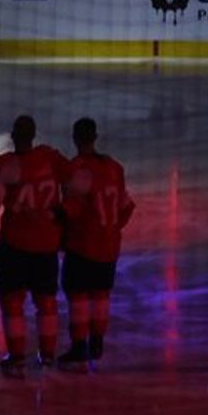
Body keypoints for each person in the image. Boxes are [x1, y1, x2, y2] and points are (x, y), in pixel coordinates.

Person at [0, 114, 69, 374]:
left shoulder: (7, 164)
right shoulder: (50, 158)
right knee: (46, 302)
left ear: (13, 135)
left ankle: (17, 358)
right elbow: (75, 179)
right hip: (46, 244)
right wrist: (61, 211)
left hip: (15, 243)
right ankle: (47, 355)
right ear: (34, 134)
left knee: (12, 302)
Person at [59, 118, 135, 367]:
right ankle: (97, 344)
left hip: (83, 243)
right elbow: (126, 206)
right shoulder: (114, 168)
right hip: (109, 244)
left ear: (75, 137)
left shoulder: (77, 169)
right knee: (101, 295)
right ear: (95, 137)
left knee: (79, 296)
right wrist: (111, 229)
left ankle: (80, 347)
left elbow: (72, 210)